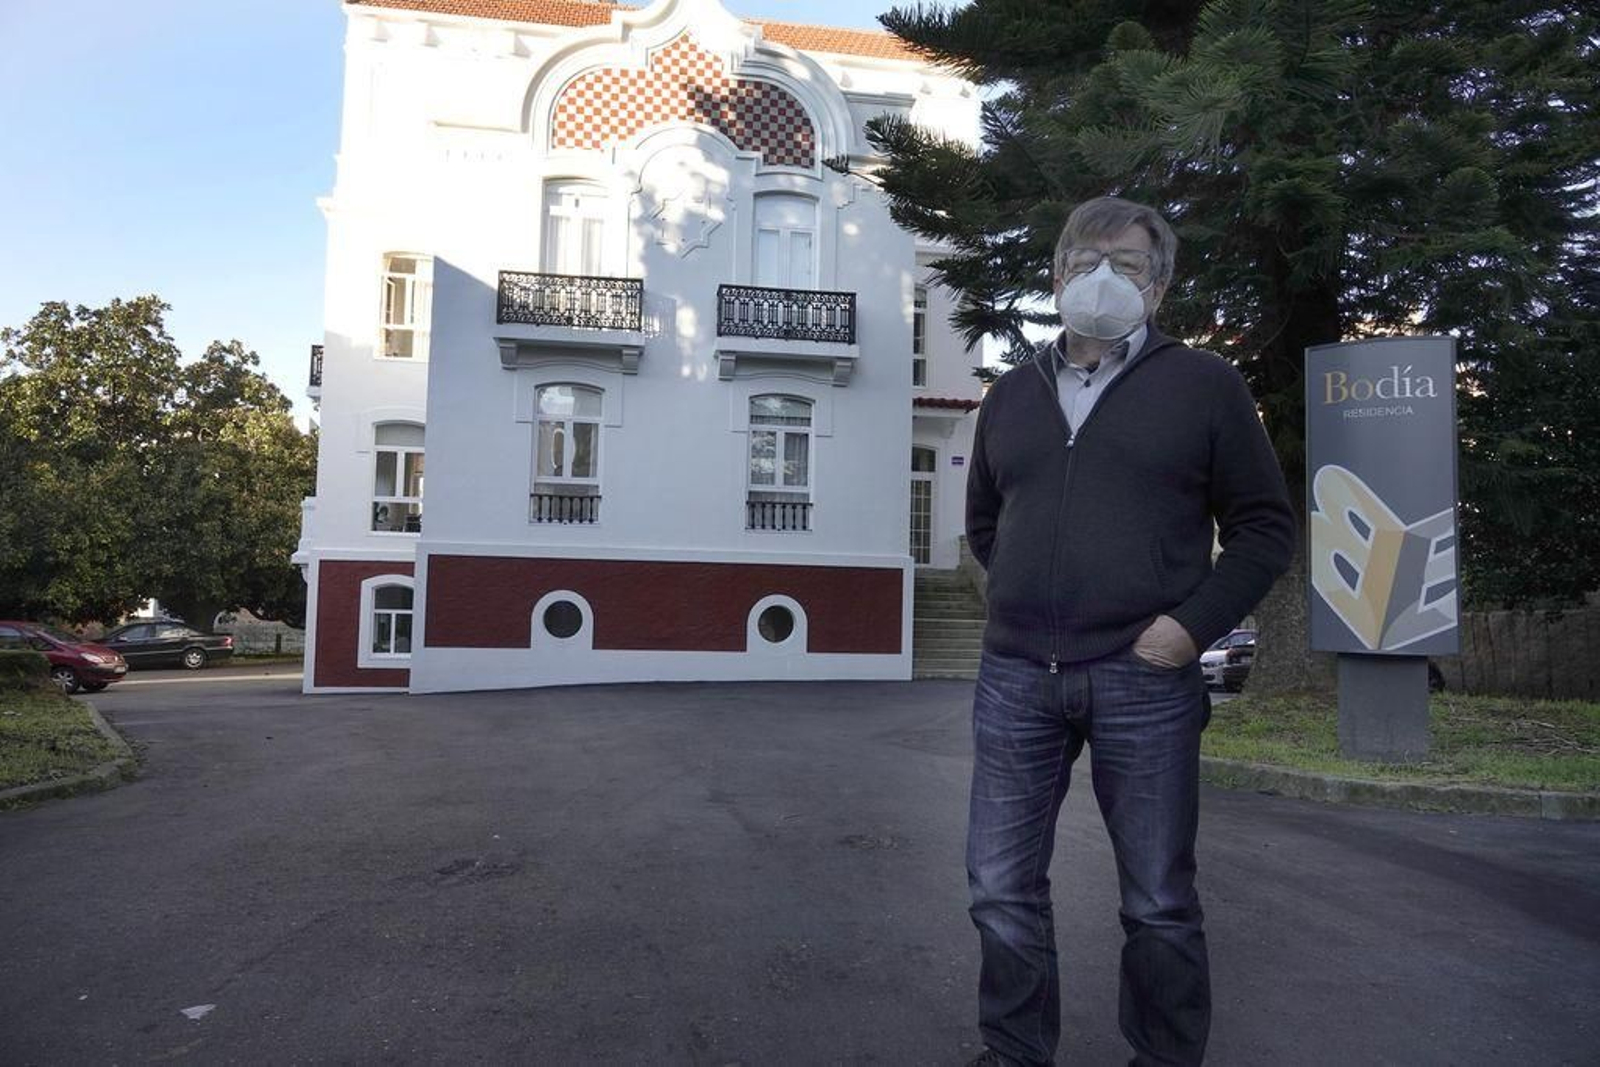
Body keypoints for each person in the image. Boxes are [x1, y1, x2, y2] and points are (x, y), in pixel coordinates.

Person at [962, 196, 1295, 1066]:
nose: (1104, 278)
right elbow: (987, 525)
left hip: (1143, 676)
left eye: (1130, 265)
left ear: (1162, 284)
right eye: (1087, 261)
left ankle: (1164, 1054)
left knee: (1156, 898)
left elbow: (1265, 527)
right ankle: (1014, 1050)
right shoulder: (1011, 392)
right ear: (1057, 274)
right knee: (1000, 888)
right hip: (1016, 676)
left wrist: (1189, 629)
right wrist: (1030, 601)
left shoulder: (1206, 386)